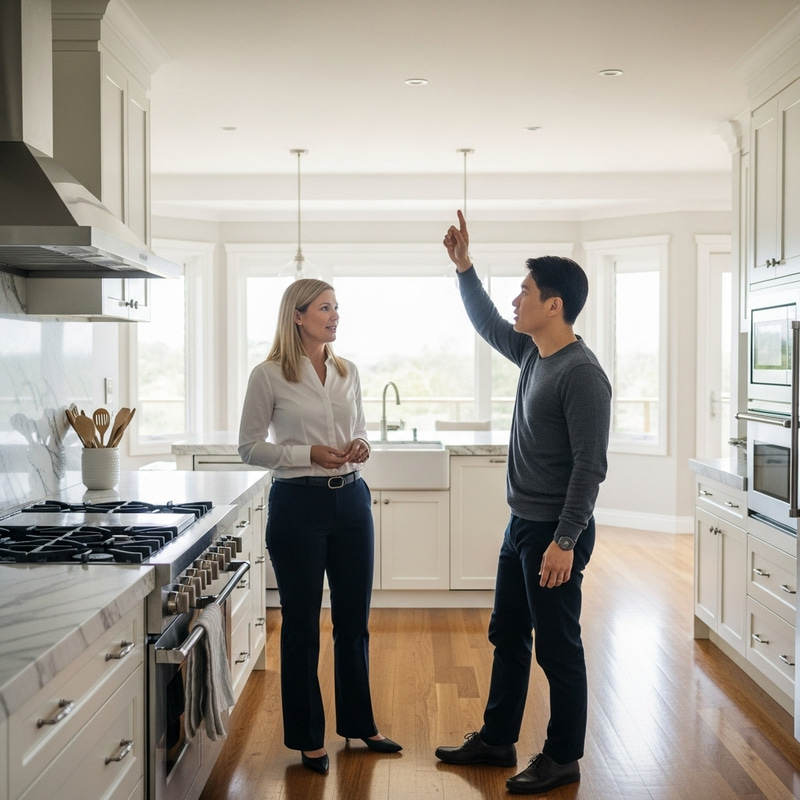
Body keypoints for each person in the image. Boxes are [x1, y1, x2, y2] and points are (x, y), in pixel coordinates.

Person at [434, 211, 611, 795]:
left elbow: (590, 467)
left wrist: (564, 541)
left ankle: (563, 757)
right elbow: (488, 322)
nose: (516, 300)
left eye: (526, 291)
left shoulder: (582, 375)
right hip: (522, 526)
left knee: (558, 647)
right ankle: (497, 739)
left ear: (554, 304)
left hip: (553, 533)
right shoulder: (535, 352)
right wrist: (464, 267)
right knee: (507, 633)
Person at [238, 278, 402, 775]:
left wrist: (362, 447)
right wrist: (305, 453)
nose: (334, 316)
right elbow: (248, 447)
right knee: (302, 626)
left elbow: (361, 431)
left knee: (354, 623)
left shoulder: (347, 371)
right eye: (325, 308)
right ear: (298, 315)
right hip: (297, 507)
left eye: (336, 308)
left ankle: (360, 724)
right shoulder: (267, 375)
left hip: (351, 502)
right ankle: (309, 739)